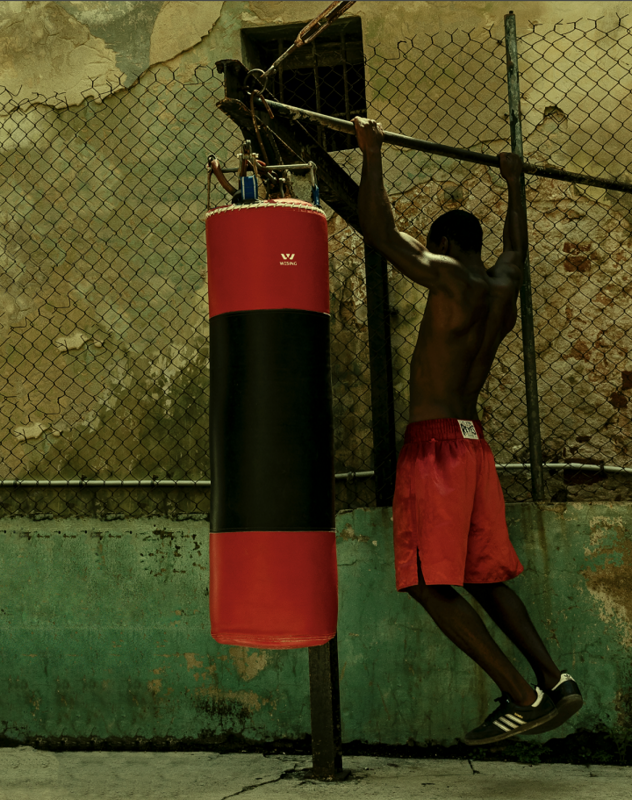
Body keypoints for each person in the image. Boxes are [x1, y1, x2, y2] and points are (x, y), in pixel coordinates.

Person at [353, 116, 583, 746]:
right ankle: (554, 680)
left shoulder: (450, 277)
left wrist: (371, 153)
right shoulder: (502, 286)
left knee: (428, 584)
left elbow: (377, 231)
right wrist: (513, 187)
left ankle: (520, 697)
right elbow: (517, 251)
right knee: (483, 575)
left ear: (447, 243)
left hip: (435, 449)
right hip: (474, 444)